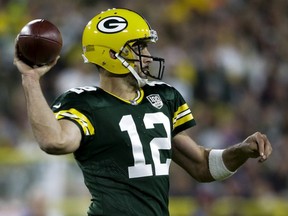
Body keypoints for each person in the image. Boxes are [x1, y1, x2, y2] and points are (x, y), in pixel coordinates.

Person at [14, 8, 272, 216]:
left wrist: (241, 150)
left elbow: (202, 166)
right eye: (139, 47)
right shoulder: (86, 103)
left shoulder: (162, 97)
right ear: (112, 54)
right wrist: (30, 79)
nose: (148, 56)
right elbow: (54, 141)